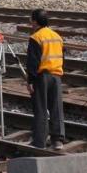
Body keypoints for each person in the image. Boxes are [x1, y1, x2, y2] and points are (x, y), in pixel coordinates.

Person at [27, 10, 65, 149]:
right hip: (56, 76)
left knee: (41, 108)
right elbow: (62, 56)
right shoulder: (57, 36)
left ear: (36, 21)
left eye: (31, 20)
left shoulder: (36, 37)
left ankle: (39, 141)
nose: (30, 22)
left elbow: (33, 62)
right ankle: (58, 141)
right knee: (56, 108)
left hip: (42, 77)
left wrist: (30, 81)